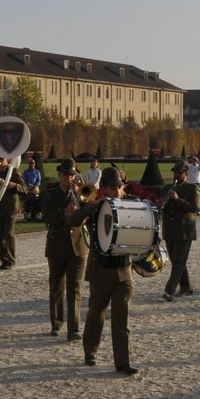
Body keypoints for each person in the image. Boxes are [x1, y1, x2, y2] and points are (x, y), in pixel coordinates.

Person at [71, 167, 139, 375]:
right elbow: (73, 221)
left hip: (123, 269)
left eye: (119, 187)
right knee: (95, 315)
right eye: (112, 188)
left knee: (122, 318)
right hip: (100, 269)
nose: (116, 191)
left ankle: (123, 361)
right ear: (105, 190)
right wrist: (91, 206)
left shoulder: (131, 204)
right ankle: (90, 352)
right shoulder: (97, 207)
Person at [42, 160, 88, 340]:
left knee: (75, 288)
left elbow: (88, 217)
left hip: (78, 246)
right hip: (57, 245)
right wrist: (65, 212)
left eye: (72, 175)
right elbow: (47, 219)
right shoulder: (49, 195)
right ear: (59, 175)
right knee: (56, 286)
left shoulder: (82, 193)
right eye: (65, 175)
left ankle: (74, 328)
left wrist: (82, 201)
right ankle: (56, 322)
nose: (69, 178)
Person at [160, 160, 200, 300]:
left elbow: (194, 208)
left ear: (186, 173)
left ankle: (169, 291)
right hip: (170, 230)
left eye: (179, 173)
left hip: (184, 230)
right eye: (175, 172)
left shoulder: (192, 189)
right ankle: (186, 287)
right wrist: (161, 203)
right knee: (177, 261)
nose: (176, 175)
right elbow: (162, 208)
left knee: (178, 262)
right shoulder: (167, 188)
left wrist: (177, 200)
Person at [0, 162, 25, 269]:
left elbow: (24, 188)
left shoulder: (13, 171)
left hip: (11, 207)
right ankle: (4, 260)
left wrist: (15, 185)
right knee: (0, 235)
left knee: (9, 233)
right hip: (0, 206)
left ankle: (10, 259)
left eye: (1, 158)